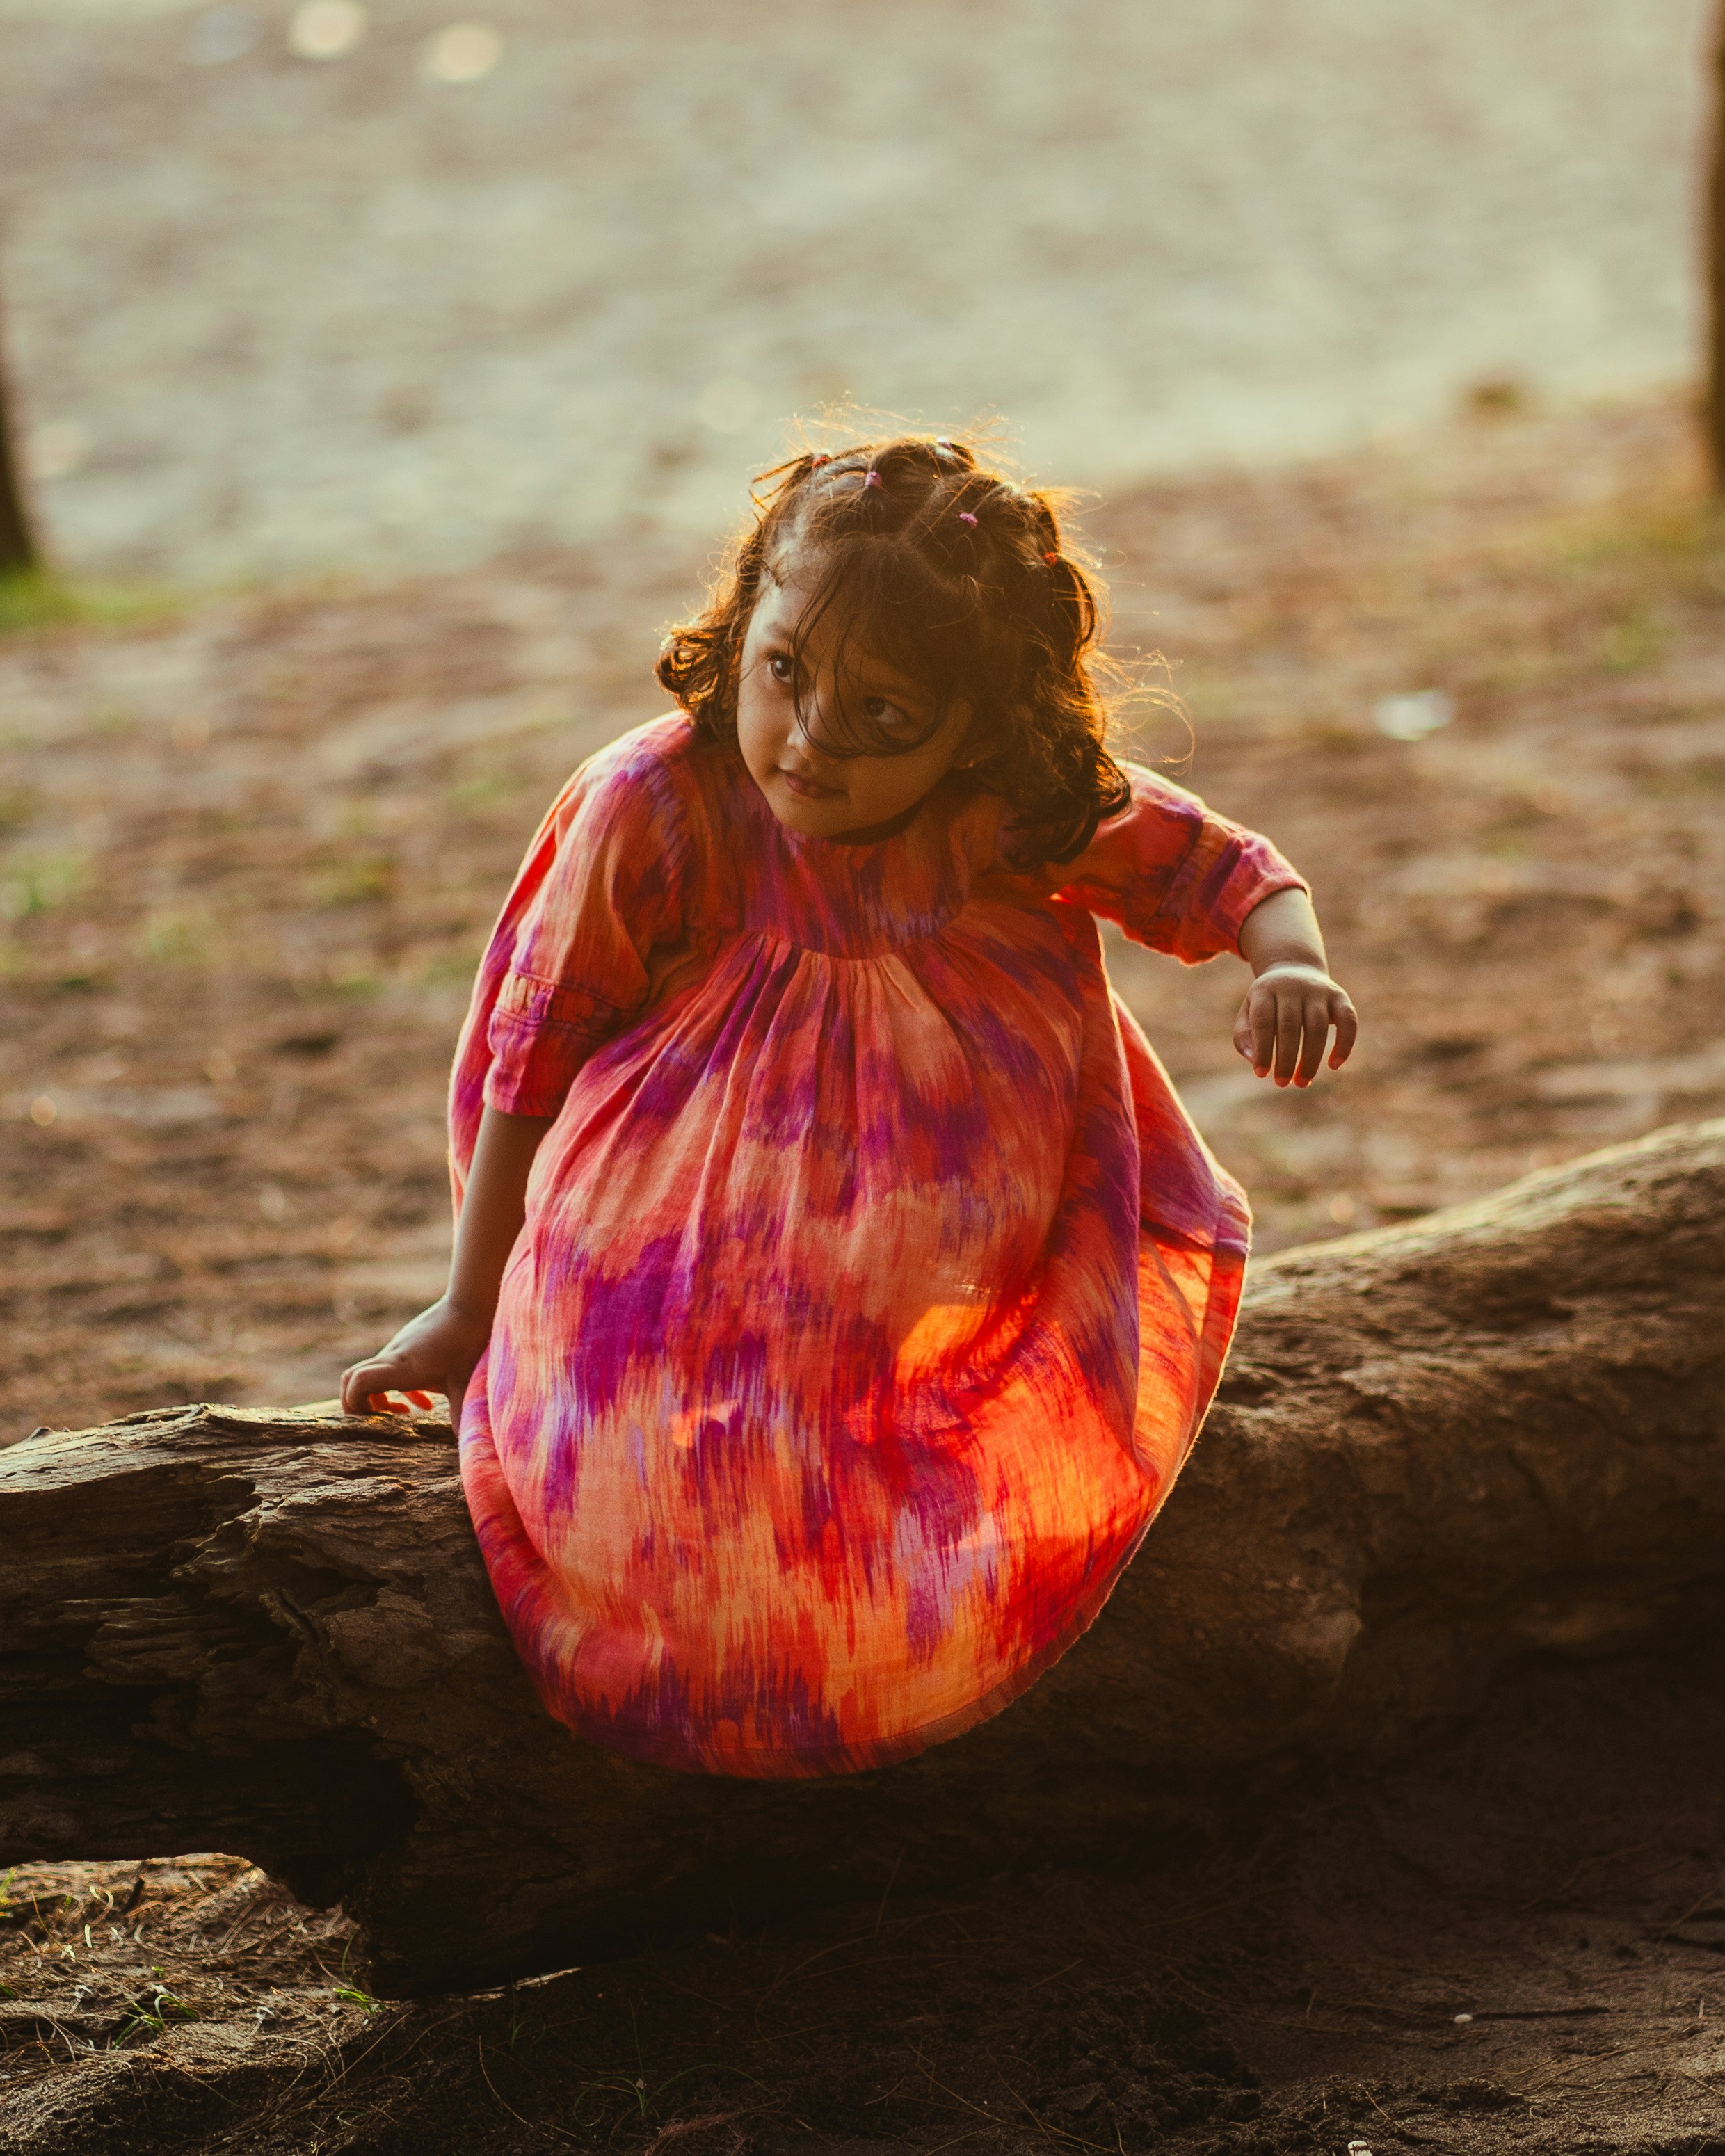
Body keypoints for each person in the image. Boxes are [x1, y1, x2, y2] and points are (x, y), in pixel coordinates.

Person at [339, 436, 1356, 1778]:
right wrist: (471, 1305)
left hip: (921, 1282)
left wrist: (1291, 958)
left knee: (916, 1515)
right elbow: (531, 1056)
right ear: (744, 615)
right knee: (662, 1517)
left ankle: (899, 1625)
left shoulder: (1007, 808)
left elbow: (1222, 868)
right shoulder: (660, 801)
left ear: (981, 726)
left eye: (886, 716)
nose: (810, 740)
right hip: (662, 1270)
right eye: (785, 672)